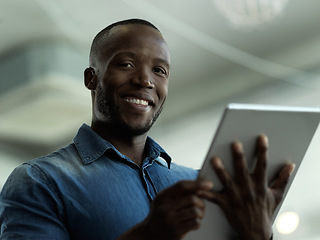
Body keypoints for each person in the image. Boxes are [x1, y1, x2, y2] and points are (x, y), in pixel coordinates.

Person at [0, 19, 294, 240]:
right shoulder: (40, 181)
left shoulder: (199, 183)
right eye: (126, 64)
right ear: (92, 78)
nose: (145, 80)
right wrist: (149, 235)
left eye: (159, 70)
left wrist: (258, 233)